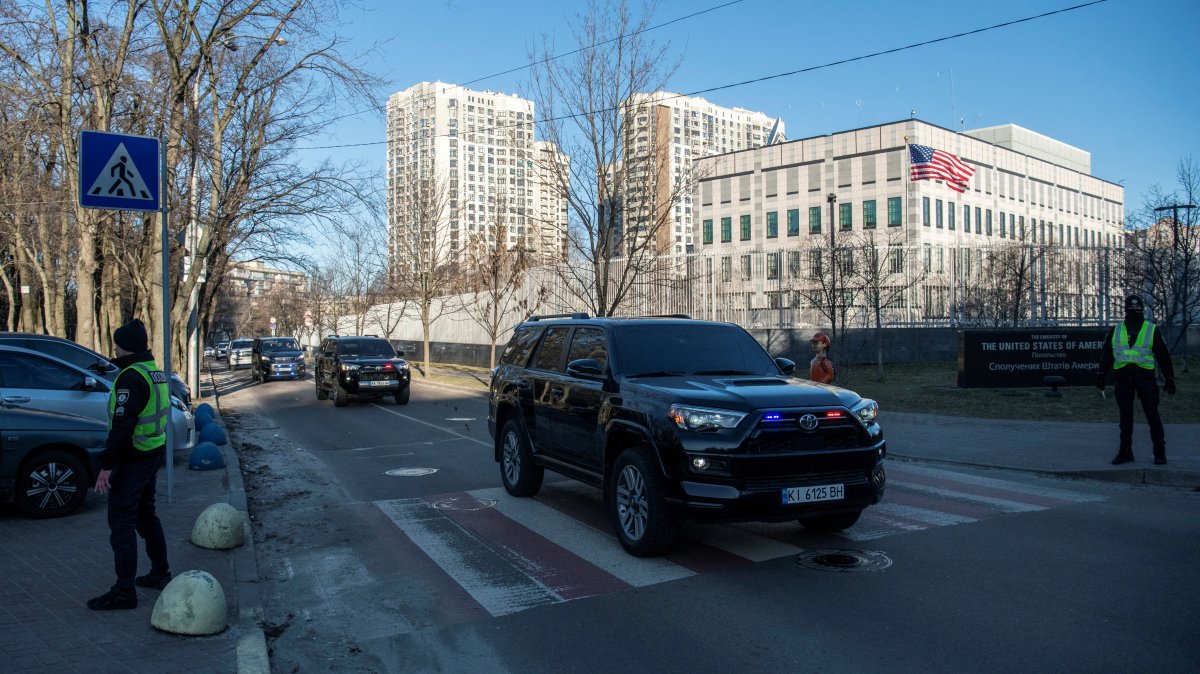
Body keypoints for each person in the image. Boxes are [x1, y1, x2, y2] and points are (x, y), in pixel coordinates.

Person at [87, 319, 172, 610]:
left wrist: (107, 465)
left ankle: (124, 591)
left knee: (121, 520)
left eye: (117, 344)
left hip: (133, 457)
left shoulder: (131, 377)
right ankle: (160, 572)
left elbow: (123, 426)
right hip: (152, 452)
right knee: (146, 515)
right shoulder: (153, 371)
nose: (115, 348)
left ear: (124, 346)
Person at [1096, 295, 1176, 466]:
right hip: (1123, 380)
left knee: (1152, 416)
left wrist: (1169, 378)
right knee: (1125, 418)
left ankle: (1159, 452)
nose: (1135, 311)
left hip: (1145, 379)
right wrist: (1101, 373)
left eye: (1137, 308)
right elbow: (1107, 355)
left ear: (1142, 309)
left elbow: (1163, 355)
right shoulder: (1116, 330)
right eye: (1132, 309)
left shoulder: (1151, 329)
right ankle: (1125, 452)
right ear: (1125, 310)